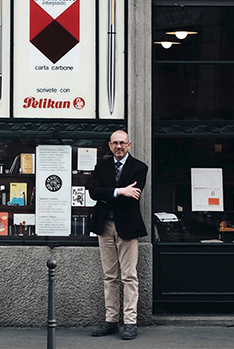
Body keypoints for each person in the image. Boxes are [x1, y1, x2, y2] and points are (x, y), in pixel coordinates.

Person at [86, 130, 148, 341]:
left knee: (129, 276)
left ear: (129, 145)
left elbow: (134, 197)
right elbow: (93, 191)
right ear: (109, 145)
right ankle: (111, 320)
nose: (119, 146)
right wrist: (120, 191)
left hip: (127, 228)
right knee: (109, 276)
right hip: (105, 226)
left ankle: (130, 322)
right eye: (115, 143)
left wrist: (108, 193)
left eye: (122, 143)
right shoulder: (101, 166)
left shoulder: (139, 168)